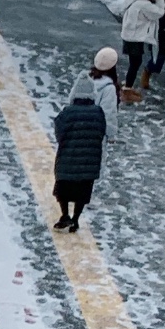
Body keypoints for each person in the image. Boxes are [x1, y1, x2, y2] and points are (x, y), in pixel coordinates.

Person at [51, 82, 106, 231]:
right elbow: (101, 131)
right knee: (82, 192)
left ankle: (65, 215)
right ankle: (75, 220)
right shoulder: (98, 112)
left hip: (68, 157)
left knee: (63, 188)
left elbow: (59, 131)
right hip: (90, 159)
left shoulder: (68, 112)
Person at [118, 0, 165, 103]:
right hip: (134, 37)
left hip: (129, 35)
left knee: (134, 63)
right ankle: (127, 90)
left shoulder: (135, 0)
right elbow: (160, 12)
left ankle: (128, 87)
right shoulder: (145, 5)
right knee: (135, 64)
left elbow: (122, 8)